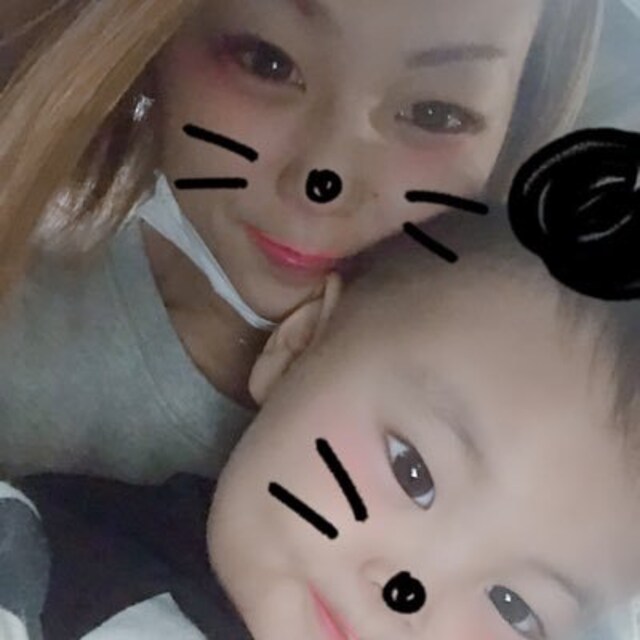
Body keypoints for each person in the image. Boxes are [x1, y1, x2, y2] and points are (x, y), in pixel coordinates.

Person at [0, 0, 603, 482]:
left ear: (516, 126)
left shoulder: (553, 448)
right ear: (160, 40)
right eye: (266, 62)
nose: (324, 178)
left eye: (435, 113)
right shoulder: (24, 337)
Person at [9, 213, 640, 640]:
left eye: (515, 607)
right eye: (412, 471)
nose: (409, 594)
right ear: (300, 345)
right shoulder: (43, 567)